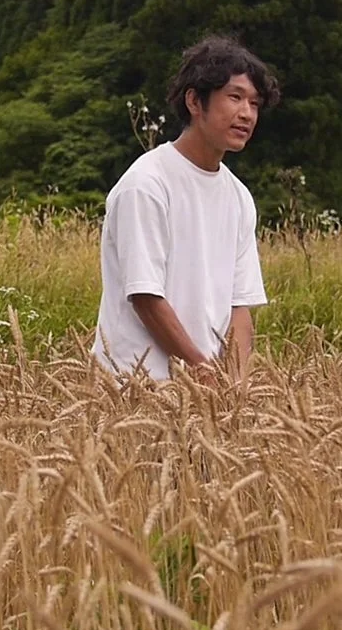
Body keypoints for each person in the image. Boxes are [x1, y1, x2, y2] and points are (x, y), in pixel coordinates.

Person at [92, 36, 280, 383]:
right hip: (135, 386)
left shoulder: (238, 197)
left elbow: (240, 308)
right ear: (195, 101)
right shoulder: (146, 184)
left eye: (254, 103)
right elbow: (146, 296)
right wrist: (202, 370)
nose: (246, 114)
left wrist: (233, 383)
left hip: (205, 392)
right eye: (235, 97)